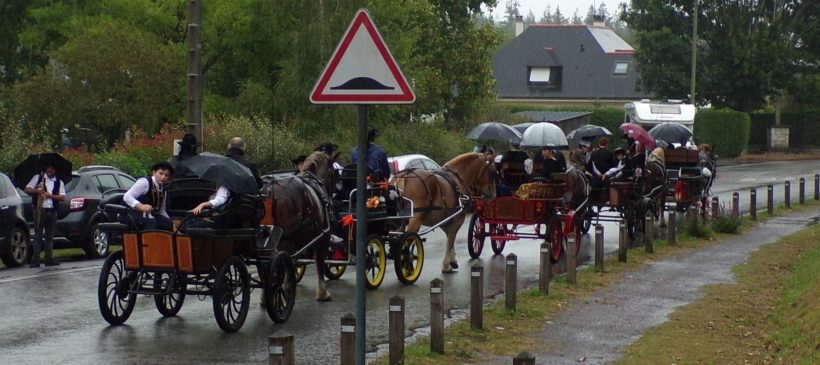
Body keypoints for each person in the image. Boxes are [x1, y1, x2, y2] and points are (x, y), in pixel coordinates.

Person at [24, 163, 66, 267]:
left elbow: (62, 197)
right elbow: (27, 189)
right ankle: (35, 259)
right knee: (38, 235)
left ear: (55, 170)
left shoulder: (59, 182)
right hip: (39, 210)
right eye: (48, 168)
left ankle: (49, 258)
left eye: (52, 168)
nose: (50, 170)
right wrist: (36, 191)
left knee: (49, 236)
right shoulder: (38, 178)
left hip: (52, 211)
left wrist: (50, 195)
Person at [122, 161, 174, 231]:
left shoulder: (163, 191)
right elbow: (127, 196)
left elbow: (162, 211)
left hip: (147, 215)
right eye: (161, 173)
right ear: (154, 172)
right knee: (151, 221)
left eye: (166, 175)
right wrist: (141, 206)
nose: (163, 177)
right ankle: (145, 242)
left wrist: (172, 224)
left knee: (167, 223)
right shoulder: (145, 182)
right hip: (127, 213)